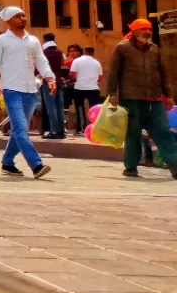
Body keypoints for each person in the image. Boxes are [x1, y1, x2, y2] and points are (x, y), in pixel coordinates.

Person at [0, 6, 54, 179]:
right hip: (11, 89)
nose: (22, 19)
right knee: (21, 128)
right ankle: (36, 165)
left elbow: (41, 61)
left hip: (30, 90)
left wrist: (49, 78)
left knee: (18, 130)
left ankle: (8, 162)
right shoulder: (1, 40)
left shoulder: (33, 40)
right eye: (17, 16)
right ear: (8, 20)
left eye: (23, 16)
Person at [106, 18, 177, 178]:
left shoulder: (154, 49)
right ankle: (131, 168)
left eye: (149, 29)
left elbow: (163, 73)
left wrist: (169, 95)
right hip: (131, 98)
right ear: (134, 31)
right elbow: (113, 72)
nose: (147, 32)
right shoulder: (122, 48)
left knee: (164, 133)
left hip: (155, 99)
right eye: (143, 29)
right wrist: (112, 94)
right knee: (133, 134)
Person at [69, 45, 104, 135]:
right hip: (93, 88)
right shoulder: (97, 63)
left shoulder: (76, 61)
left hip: (79, 88)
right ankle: (96, 128)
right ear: (93, 53)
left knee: (80, 108)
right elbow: (100, 78)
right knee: (95, 109)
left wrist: (76, 79)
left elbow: (72, 74)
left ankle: (81, 128)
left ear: (84, 52)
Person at [39, 33, 66, 139]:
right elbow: (63, 65)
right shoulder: (59, 52)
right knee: (60, 107)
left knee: (51, 107)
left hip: (48, 82)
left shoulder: (43, 53)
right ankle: (61, 131)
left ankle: (54, 131)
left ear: (45, 40)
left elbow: (39, 67)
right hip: (59, 81)